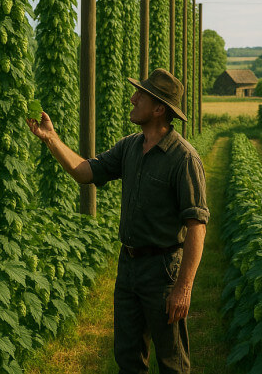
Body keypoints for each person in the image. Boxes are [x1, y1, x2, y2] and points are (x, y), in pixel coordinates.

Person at [26, 68, 209, 374]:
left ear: (159, 109)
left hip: (163, 271)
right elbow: (85, 171)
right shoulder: (130, 147)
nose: (133, 98)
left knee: (172, 361)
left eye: (141, 95)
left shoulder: (184, 159)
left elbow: (196, 227)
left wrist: (183, 288)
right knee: (127, 357)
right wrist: (51, 138)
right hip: (129, 267)